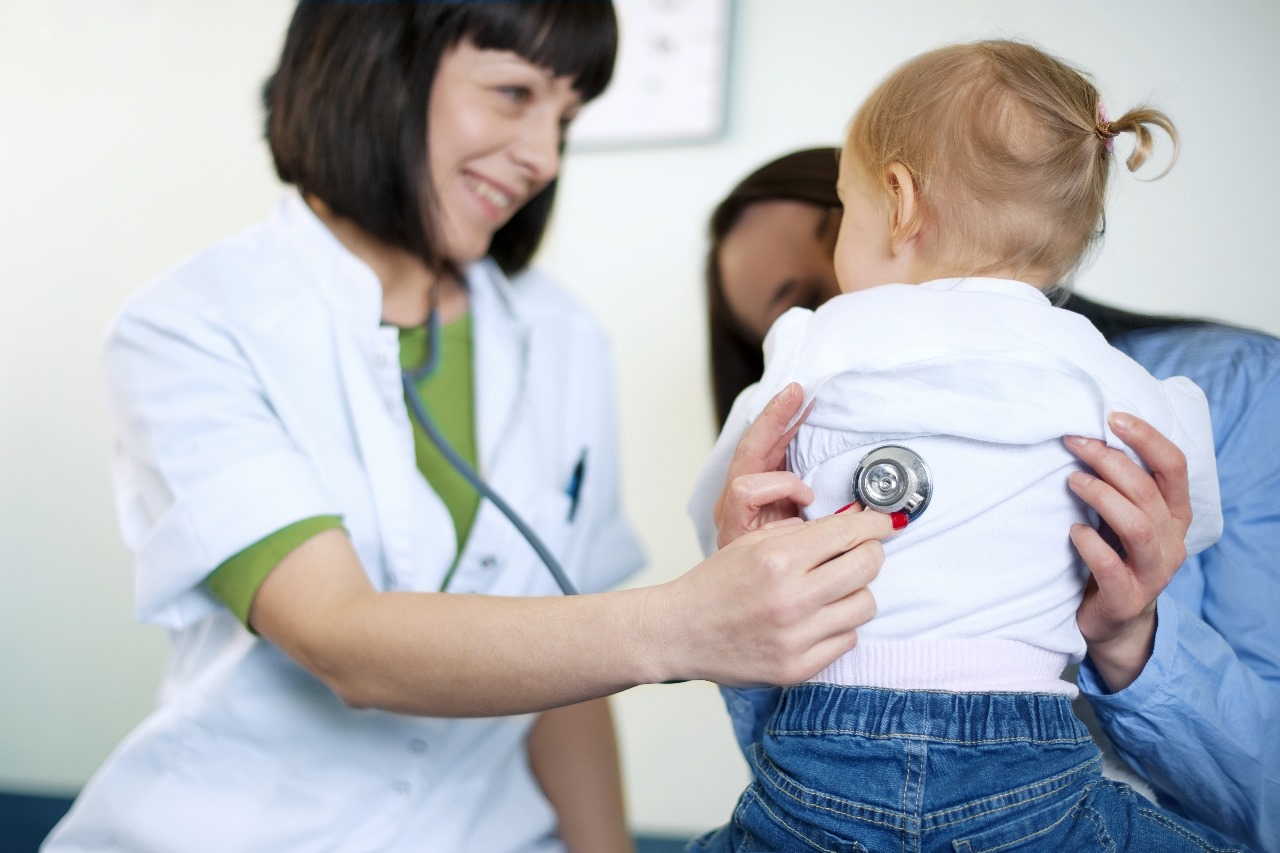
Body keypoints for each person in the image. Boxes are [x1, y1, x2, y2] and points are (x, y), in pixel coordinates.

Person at [43, 5, 903, 852]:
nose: (542, 157)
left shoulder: (560, 335)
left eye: (566, 118)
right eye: (513, 92)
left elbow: (567, 675)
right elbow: (341, 639)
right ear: (381, 64)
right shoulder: (195, 322)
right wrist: (683, 622)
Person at [689, 40, 1251, 851]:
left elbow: (719, 524)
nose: (833, 273)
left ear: (900, 200)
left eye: (840, 213)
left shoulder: (814, 344)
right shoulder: (1105, 371)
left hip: (822, 747)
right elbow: (1184, 512)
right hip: (1029, 751)